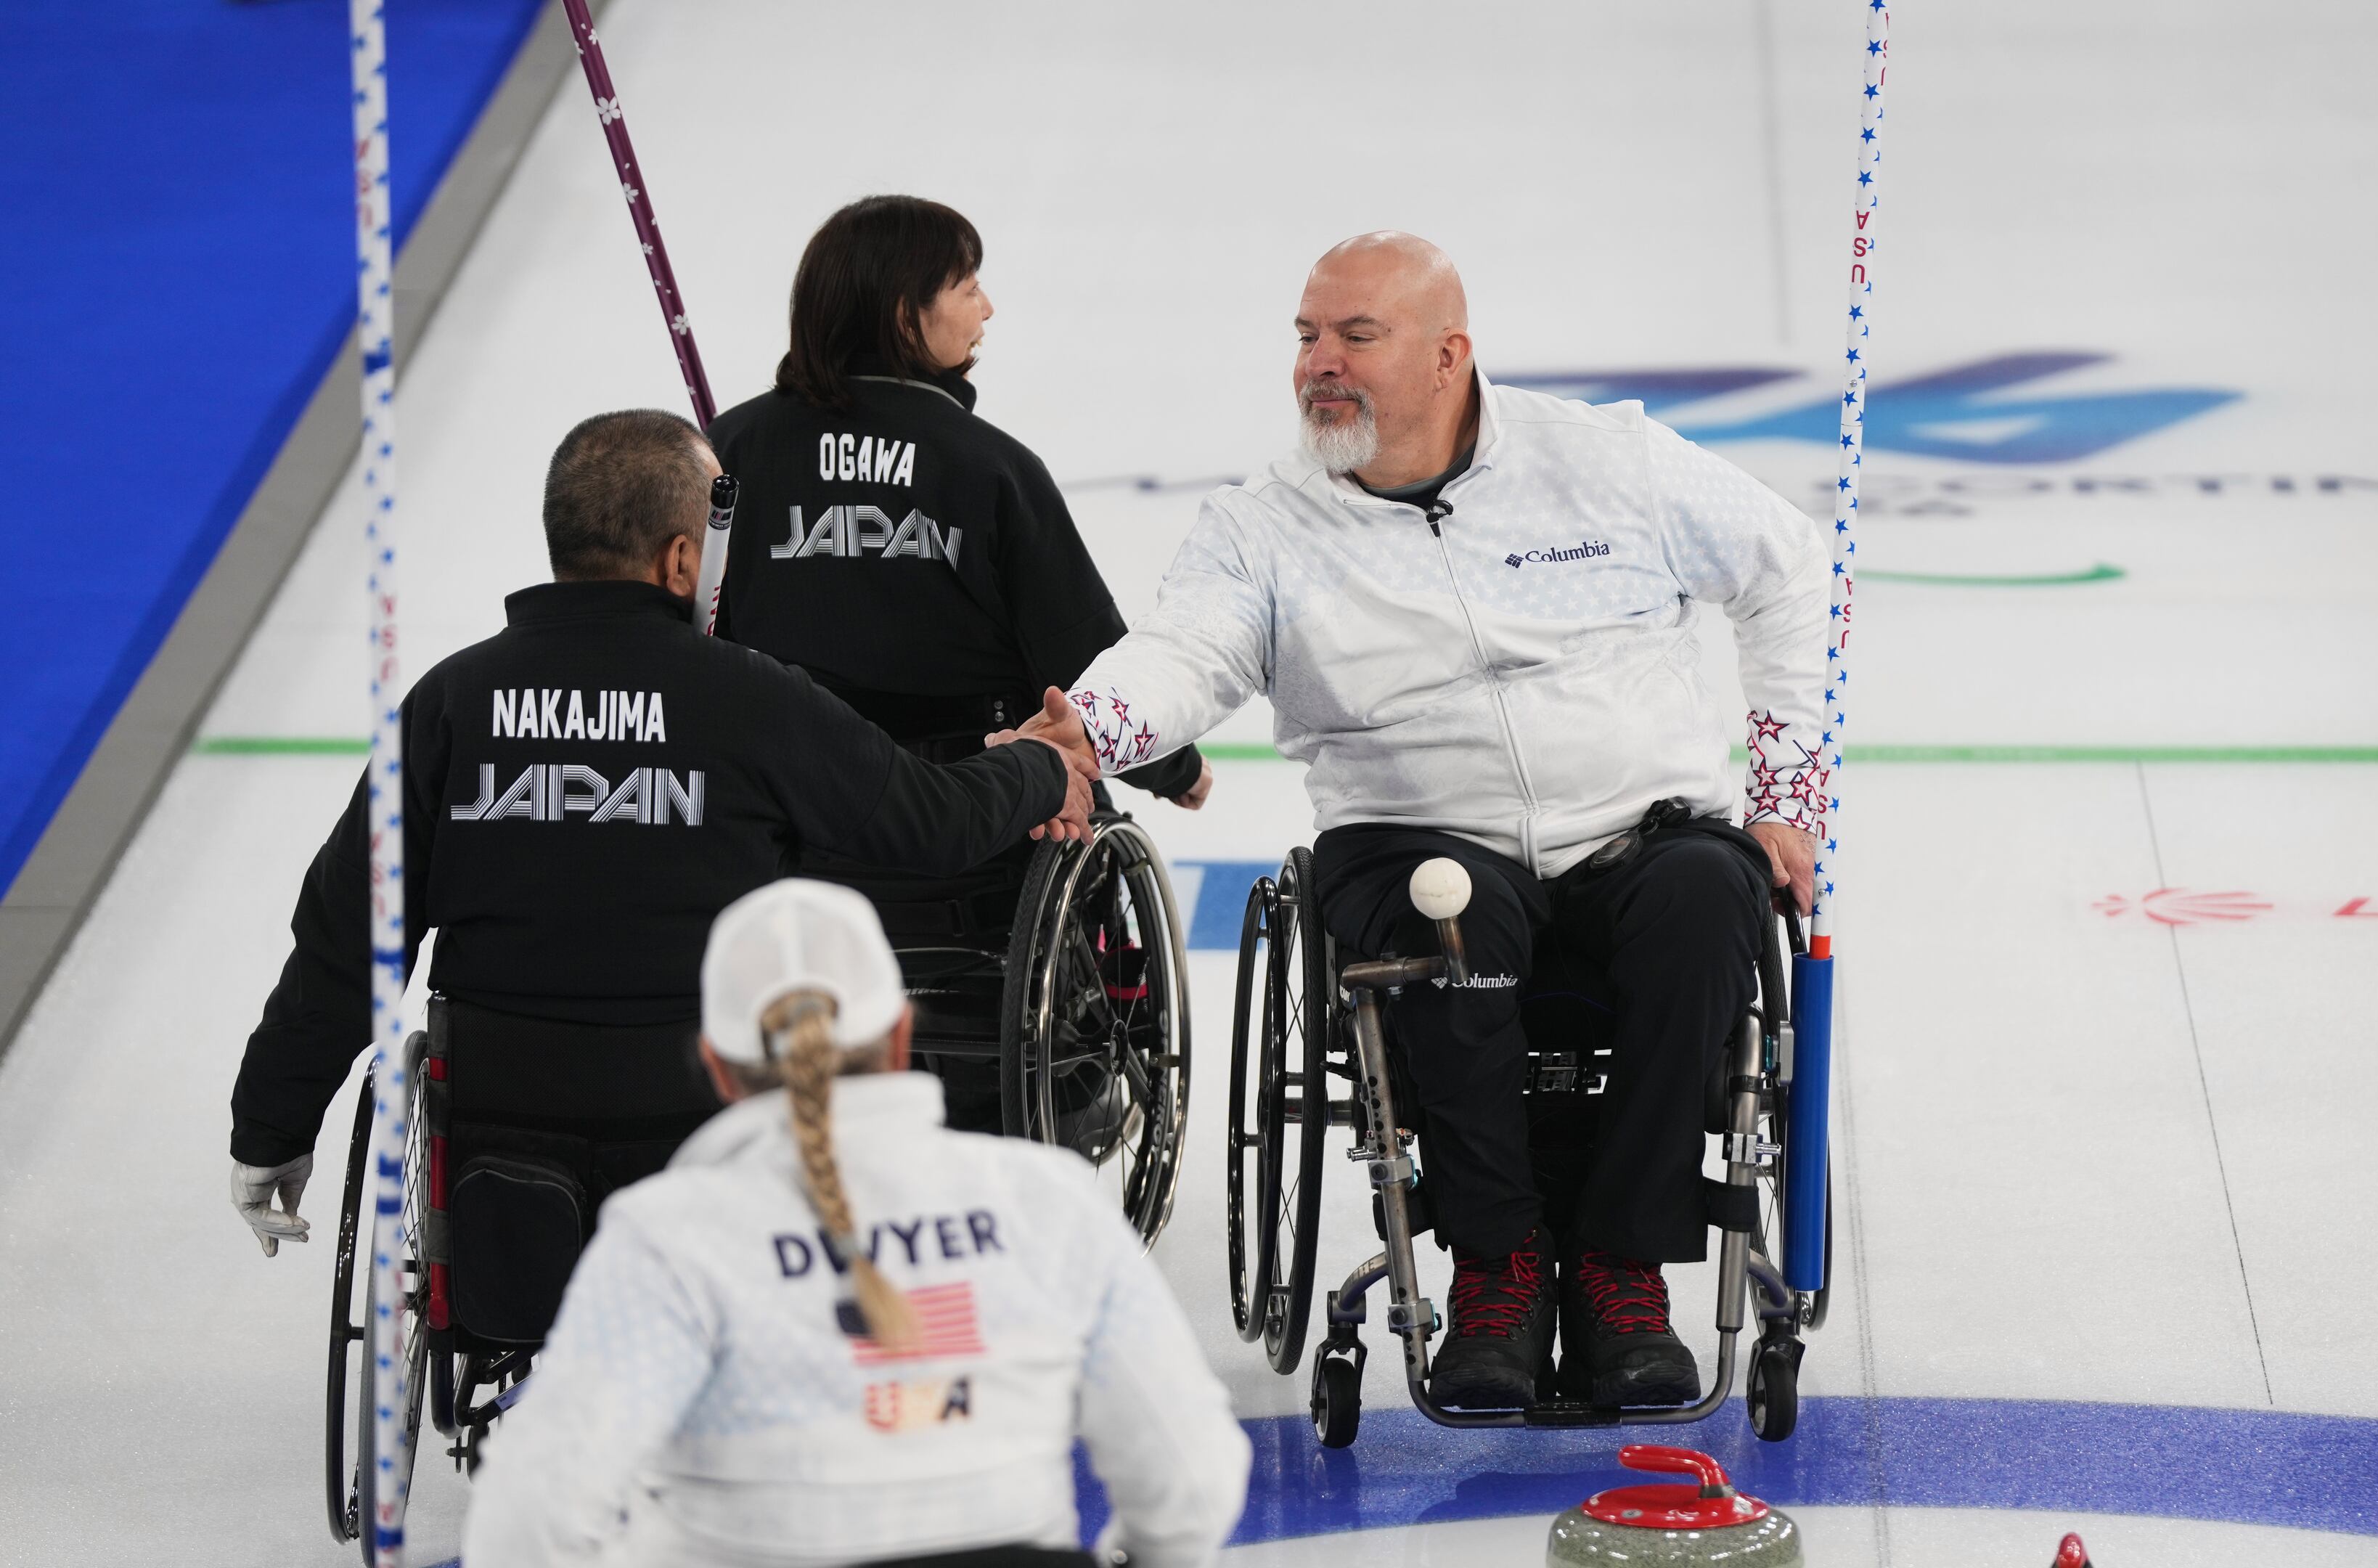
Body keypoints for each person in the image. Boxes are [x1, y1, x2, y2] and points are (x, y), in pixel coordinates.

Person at [1029, 232, 1826, 1412]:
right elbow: (1185, 654)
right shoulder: (1265, 530)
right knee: (1451, 916)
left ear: (1450, 355)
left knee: (1710, 898)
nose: (1320, 364)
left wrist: (1785, 797)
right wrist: (1090, 728)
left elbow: (1790, 565)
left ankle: (1620, 1270)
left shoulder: (1604, 461)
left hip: (1640, 836)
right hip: (1415, 840)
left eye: (1356, 335)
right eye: (1307, 336)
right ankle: (1499, 1270)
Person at [227, 410, 1096, 1291]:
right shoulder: (752, 700)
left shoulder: (450, 705)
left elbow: (345, 940)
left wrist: (271, 1127)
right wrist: (1036, 769)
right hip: (710, 1145)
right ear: (681, 560)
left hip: (503, 1138)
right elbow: (927, 821)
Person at [462, 878, 1249, 1567]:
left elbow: (529, 1524)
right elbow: (1194, 1480)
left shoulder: (669, 1238)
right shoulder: (1048, 1199)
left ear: (716, 1067)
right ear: (903, 1036)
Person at [704, 197, 1209, 1129]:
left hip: (782, 815)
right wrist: (1174, 763)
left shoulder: (727, 453)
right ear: (907, 316)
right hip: (970, 814)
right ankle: (1084, 1069)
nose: (987, 309)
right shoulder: (987, 467)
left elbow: (688, 643)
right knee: (1085, 809)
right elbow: (1083, 661)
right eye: (967, 285)